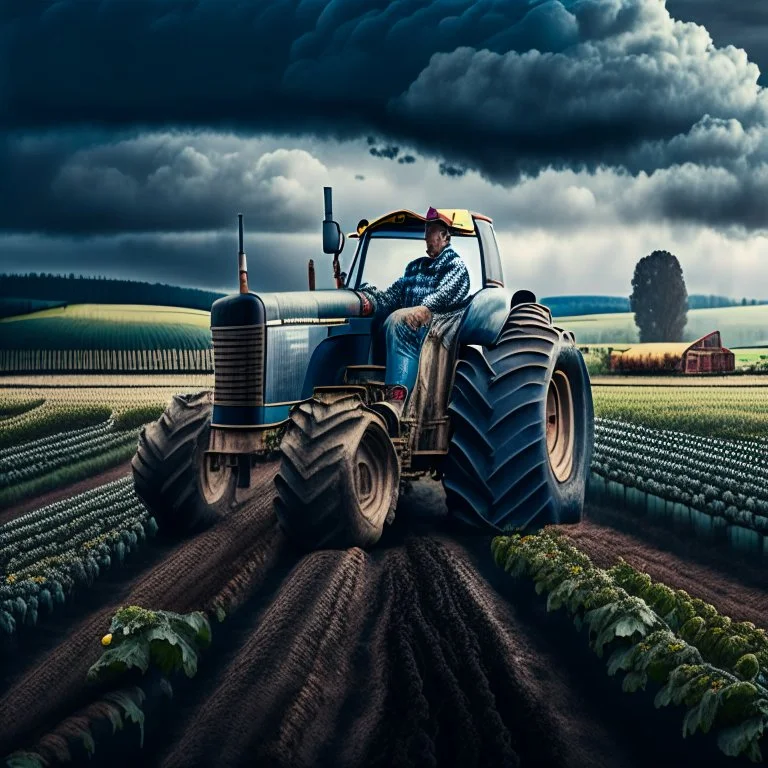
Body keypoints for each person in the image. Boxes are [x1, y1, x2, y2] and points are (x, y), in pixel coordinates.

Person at [360, 208, 470, 430]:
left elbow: (446, 293)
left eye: (431, 232)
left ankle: (397, 403)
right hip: (416, 326)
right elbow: (393, 295)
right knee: (383, 319)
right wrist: (369, 296)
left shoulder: (455, 266)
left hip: (439, 330)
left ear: (445, 236)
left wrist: (424, 308)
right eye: (426, 231)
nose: (426, 238)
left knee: (400, 321)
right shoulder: (414, 268)